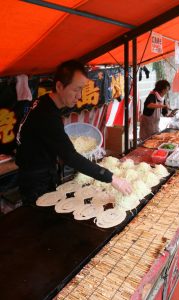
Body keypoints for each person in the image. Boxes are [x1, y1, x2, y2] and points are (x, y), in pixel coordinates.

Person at [16, 60, 132, 205]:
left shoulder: (43, 102)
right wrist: (111, 178)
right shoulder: (46, 115)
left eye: (82, 89)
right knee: (41, 221)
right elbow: (70, 156)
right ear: (59, 86)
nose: (79, 96)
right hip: (36, 180)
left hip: (37, 171)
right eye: (76, 89)